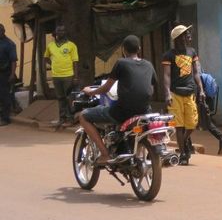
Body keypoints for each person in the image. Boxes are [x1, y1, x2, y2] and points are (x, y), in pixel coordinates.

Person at [78, 35, 157, 165]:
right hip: (145, 110)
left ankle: (105, 154)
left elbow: (106, 88)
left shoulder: (121, 63)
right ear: (139, 49)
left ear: (123, 50)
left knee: (83, 116)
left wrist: (90, 91)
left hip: (122, 112)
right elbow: (151, 90)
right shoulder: (148, 65)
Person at [162, 24, 204, 165]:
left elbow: (197, 73)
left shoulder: (192, 52)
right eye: (186, 34)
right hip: (175, 94)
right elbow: (167, 75)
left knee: (192, 124)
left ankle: (184, 142)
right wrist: (167, 93)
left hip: (190, 93)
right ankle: (183, 154)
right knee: (179, 126)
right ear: (179, 38)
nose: (188, 36)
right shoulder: (169, 55)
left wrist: (201, 89)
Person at [45, 24, 78, 125]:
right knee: (60, 97)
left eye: (63, 31)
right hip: (56, 76)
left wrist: (75, 77)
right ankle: (62, 118)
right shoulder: (50, 46)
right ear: (55, 33)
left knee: (69, 97)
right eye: (59, 31)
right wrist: (53, 64)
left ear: (65, 32)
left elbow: (75, 61)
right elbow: (46, 57)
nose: (61, 32)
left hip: (68, 75)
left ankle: (70, 118)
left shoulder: (71, 45)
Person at [197, 71, 222, 155]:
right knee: (202, 119)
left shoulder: (190, 63)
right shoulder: (194, 62)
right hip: (206, 93)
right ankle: (187, 146)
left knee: (202, 119)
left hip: (200, 93)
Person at [0, 25, 17, 126]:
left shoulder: (9, 44)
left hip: (5, 73)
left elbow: (13, 61)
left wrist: (12, 74)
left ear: (3, 31)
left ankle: (6, 118)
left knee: (4, 96)